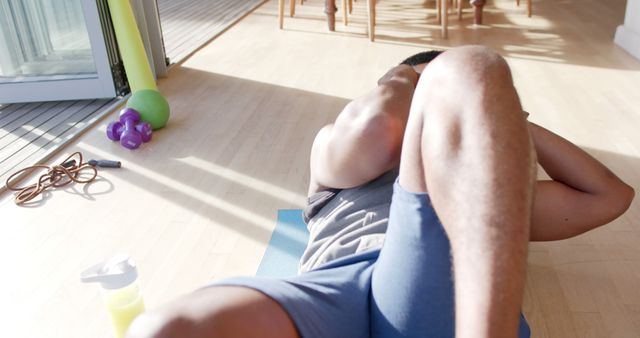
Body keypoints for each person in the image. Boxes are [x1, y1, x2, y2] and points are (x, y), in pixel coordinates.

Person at [126, 46, 634, 338]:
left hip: (429, 294)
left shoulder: (486, 198)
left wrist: (498, 120)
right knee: (166, 331)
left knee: (474, 67)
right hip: (330, 289)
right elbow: (377, 127)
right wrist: (404, 77)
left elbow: (610, 196)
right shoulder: (333, 154)